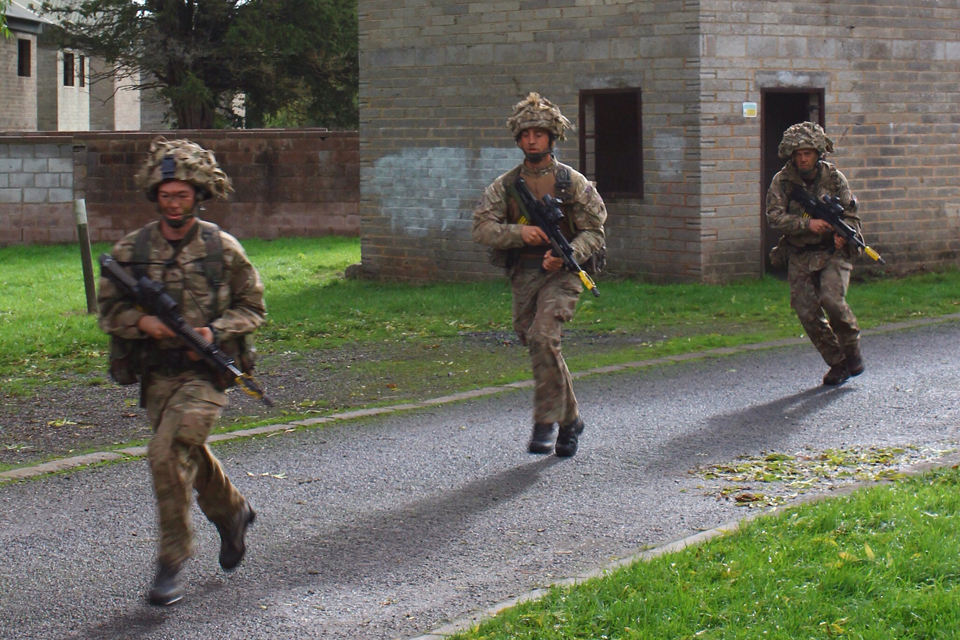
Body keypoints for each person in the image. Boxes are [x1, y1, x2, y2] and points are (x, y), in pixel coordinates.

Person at [97, 137, 266, 606]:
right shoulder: (132, 249)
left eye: (183, 195)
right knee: (183, 452)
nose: (174, 204)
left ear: (199, 195)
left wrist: (214, 330)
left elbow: (253, 307)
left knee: (166, 453)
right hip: (156, 377)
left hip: (207, 375)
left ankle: (172, 560)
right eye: (166, 195)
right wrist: (142, 322)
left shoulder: (222, 248)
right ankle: (233, 512)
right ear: (155, 196)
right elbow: (107, 311)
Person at [472, 93, 607, 457]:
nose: (532, 140)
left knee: (545, 337)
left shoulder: (571, 182)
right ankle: (571, 420)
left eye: (539, 133)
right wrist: (520, 234)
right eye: (526, 134)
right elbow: (481, 227)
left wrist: (566, 257)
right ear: (518, 138)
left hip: (562, 275)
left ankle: (545, 422)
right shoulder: (507, 185)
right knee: (535, 340)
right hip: (524, 275)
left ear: (552, 137)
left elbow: (595, 230)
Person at [766, 121, 864, 386]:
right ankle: (838, 362)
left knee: (831, 300)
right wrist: (806, 224)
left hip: (832, 252)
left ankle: (852, 348)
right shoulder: (783, 181)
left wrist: (842, 235)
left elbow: (851, 215)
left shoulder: (834, 179)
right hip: (800, 252)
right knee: (806, 311)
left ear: (818, 153)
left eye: (807, 153)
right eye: (798, 154)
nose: (803, 159)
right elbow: (774, 217)